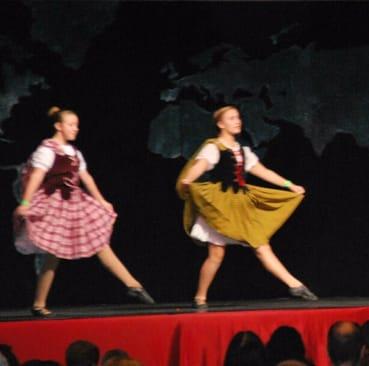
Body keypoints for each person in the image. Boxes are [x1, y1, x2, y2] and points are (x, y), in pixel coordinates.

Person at [13, 107, 154, 316]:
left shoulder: (74, 152)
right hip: (55, 204)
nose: (75, 129)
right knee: (53, 255)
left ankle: (133, 286)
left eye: (76, 125)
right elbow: (36, 176)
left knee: (100, 244)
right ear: (58, 126)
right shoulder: (47, 150)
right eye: (71, 125)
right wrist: (25, 201)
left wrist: (102, 200)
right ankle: (39, 303)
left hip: (76, 203)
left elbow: (86, 178)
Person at [176, 105, 317, 308]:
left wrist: (289, 185)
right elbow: (200, 165)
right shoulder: (213, 147)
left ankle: (294, 284)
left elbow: (262, 171)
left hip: (240, 204)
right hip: (220, 204)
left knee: (260, 245)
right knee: (216, 254)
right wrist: (189, 179)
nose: (237, 121)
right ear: (220, 123)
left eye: (238, 117)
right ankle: (200, 297)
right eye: (232, 118)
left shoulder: (243, 150)